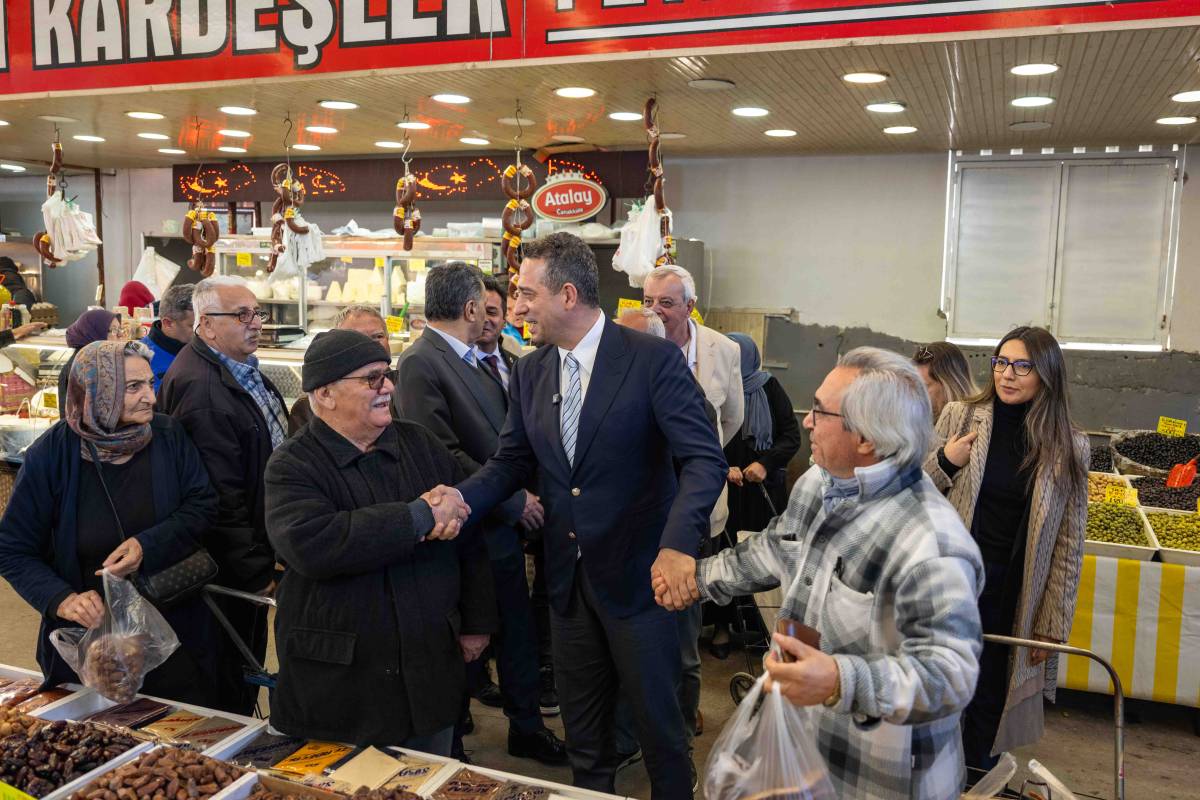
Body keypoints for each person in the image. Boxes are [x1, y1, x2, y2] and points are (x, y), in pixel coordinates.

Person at [432, 232, 727, 800]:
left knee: (660, 731)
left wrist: (678, 545)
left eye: (524, 294)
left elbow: (703, 461)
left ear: (567, 295)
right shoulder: (532, 371)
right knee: (585, 735)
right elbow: (511, 462)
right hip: (568, 585)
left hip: (644, 583)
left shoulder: (651, 360)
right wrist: (460, 501)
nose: (514, 307)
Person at [666, 347, 983, 800]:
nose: (807, 422)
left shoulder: (930, 544)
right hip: (803, 755)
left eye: (820, 410)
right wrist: (694, 579)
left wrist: (839, 679)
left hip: (876, 779)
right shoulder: (821, 483)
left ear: (868, 439)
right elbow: (778, 549)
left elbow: (948, 675)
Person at [264, 329, 497, 753]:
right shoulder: (292, 465)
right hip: (342, 681)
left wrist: (478, 623)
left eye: (386, 374)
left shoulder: (420, 444)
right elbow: (314, 544)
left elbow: (471, 539)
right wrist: (419, 516)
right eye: (371, 378)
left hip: (428, 665)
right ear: (326, 393)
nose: (388, 386)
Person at [395, 264, 566, 766]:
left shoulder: (471, 361)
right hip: (470, 530)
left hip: (498, 528)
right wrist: (513, 500)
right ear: (470, 308)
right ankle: (451, 744)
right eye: (484, 307)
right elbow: (440, 454)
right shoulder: (422, 362)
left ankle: (525, 726)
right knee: (471, 640)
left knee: (515, 633)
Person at [0, 341, 224, 707]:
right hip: (89, 646)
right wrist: (62, 600)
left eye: (150, 384)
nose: (150, 398)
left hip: (173, 634)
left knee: (175, 744)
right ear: (95, 391)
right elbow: (12, 549)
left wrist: (146, 545)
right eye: (133, 387)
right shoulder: (51, 455)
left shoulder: (168, 436)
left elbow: (203, 506)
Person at [923, 326, 1088, 774]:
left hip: (1016, 589)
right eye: (1000, 362)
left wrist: (1052, 624)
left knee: (992, 695)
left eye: (1022, 366)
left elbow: (1069, 542)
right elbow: (912, 493)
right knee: (941, 686)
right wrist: (944, 461)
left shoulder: (1068, 445)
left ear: (1047, 375)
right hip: (953, 582)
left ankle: (976, 776)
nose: (1007, 374)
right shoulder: (960, 417)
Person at [157, 275, 288, 714]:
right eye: (242, 315)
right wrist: (254, 570)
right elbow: (220, 495)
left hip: (254, 545)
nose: (256, 324)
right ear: (206, 325)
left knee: (241, 661)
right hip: (232, 564)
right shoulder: (203, 389)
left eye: (258, 313)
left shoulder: (235, 368)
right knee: (230, 669)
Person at [642, 263, 742, 759]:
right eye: (649, 301)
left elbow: (732, 418)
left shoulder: (723, 351)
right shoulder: (632, 346)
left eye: (666, 302)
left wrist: (700, 463)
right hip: (641, 510)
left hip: (696, 506)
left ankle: (682, 721)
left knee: (684, 625)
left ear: (689, 306)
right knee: (641, 627)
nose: (655, 311)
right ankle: (646, 723)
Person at [708, 333, 802, 660]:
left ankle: (762, 627)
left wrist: (764, 463)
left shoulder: (769, 387)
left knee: (762, 558)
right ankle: (721, 626)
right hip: (725, 492)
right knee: (724, 557)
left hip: (762, 491)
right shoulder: (714, 387)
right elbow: (700, 437)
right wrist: (722, 467)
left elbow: (791, 436)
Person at [289, 304, 396, 435]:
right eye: (356, 338)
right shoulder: (308, 409)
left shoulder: (405, 388)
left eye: (378, 336)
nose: (371, 345)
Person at [59, 309, 122, 401]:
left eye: (119, 329)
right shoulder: (85, 367)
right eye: (114, 330)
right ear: (95, 333)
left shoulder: (102, 361)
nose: (120, 335)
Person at [141, 284, 195, 392]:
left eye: (206, 323)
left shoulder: (208, 347)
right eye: (193, 325)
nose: (203, 331)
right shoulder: (140, 359)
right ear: (168, 323)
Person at [913, 341, 978, 421]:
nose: (915, 394)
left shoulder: (976, 422)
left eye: (923, 387)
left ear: (949, 386)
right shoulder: (918, 418)